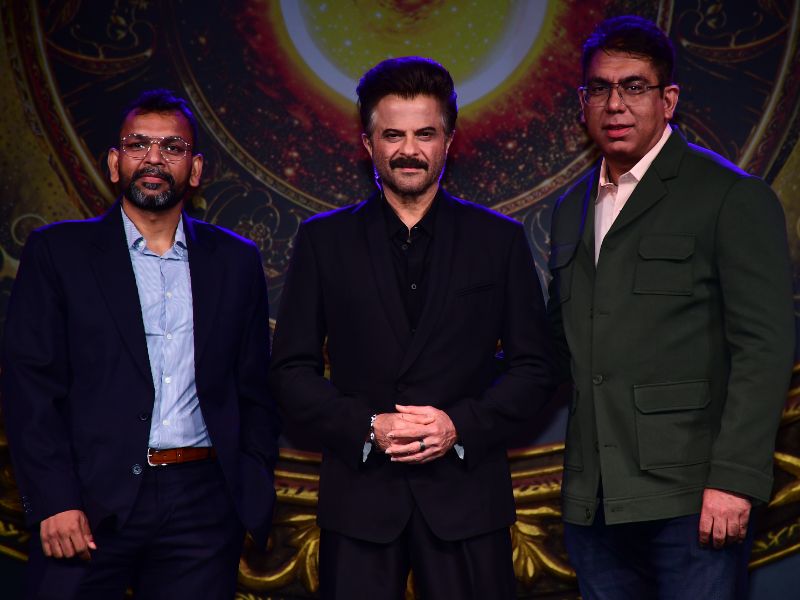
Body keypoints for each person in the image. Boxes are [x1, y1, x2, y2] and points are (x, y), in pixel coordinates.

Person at [269, 57, 555, 599]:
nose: (409, 149)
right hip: (360, 502)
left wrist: (459, 426)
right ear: (367, 143)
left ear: (449, 140)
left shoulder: (498, 240)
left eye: (425, 134)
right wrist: (367, 426)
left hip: (467, 501)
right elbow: (290, 371)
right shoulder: (324, 241)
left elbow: (535, 368)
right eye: (392, 134)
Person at [546, 15, 795, 599]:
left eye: (634, 86)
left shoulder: (729, 196)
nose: (616, 104)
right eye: (601, 88)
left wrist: (733, 480)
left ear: (669, 99)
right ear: (583, 103)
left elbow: (763, 349)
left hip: (694, 500)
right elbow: (563, 343)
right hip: (595, 502)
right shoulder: (570, 208)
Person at [2, 89, 279, 599]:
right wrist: (54, 497)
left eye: (172, 147)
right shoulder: (58, 253)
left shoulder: (235, 261)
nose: (154, 158)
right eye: (138, 144)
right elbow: (30, 388)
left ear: (195, 170)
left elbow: (254, 386)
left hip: (202, 506)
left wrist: (249, 482)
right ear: (115, 162)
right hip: (85, 501)